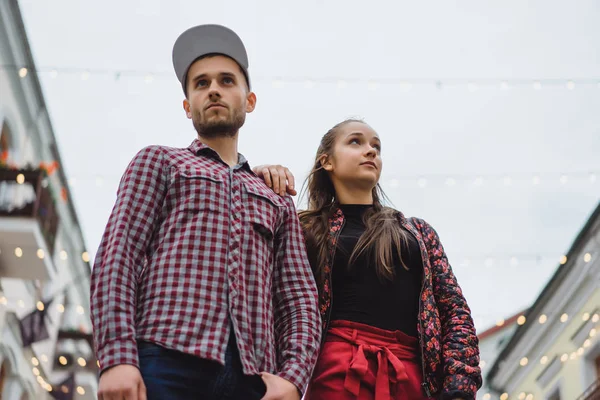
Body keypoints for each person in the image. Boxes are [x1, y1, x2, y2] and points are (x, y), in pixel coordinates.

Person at [90, 24, 321, 400]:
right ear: (187, 106)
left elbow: (298, 296)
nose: (213, 89)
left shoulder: (276, 198)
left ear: (249, 100)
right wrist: (116, 357)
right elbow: (119, 255)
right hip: (162, 360)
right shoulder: (160, 162)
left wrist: (294, 378)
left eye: (227, 80)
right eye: (200, 83)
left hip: (252, 378)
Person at [254, 119, 482, 400]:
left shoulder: (418, 232)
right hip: (336, 373)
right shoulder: (304, 229)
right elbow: (261, 276)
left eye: (377, 146)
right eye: (356, 142)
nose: (371, 151)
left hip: (411, 378)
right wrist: (260, 179)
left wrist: (459, 387)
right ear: (327, 161)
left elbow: (455, 312)